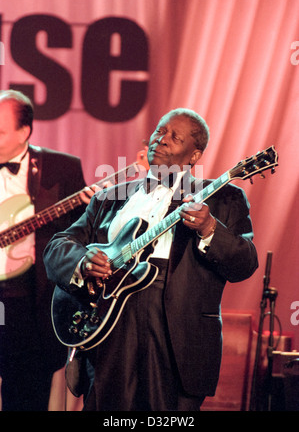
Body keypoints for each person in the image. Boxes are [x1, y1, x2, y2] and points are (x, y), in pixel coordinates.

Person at [43, 108, 259, 411]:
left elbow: (245, 263)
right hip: (107, 325)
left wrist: (210, 229)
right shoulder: (110, 197)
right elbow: (58, 245)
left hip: (174, 338)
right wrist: (84, 260)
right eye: (160, 131)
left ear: (194, 155)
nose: (162, 139)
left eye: (175, 136)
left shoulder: (223, 198)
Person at [0, 89, 95, 411]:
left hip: (30, 302)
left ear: (24, 132)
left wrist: (85, 206)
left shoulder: (61, 168)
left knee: (26, 396)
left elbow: (80, 233)